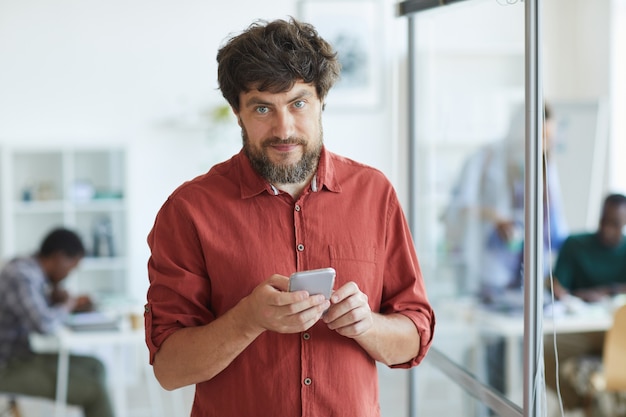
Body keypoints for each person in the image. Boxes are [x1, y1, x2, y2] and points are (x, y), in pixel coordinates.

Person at [145, 17, 435, 416]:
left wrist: (367, 324)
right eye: (262, 108)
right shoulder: (188, 211)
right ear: (237, 113)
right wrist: (247, 319)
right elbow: (169, 369)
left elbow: (414, 338)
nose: (284, 128)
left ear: (321, 101)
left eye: (298, 103)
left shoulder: (375, 194)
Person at [0, 227, 114, 417]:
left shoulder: (28, 269)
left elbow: (32, 310)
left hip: (20, 356)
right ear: (60, 257)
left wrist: (55, 300)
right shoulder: (21, 275)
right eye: (72, 267)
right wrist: (68, 305)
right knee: (94, 391)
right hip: (7, 366)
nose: (69, 274)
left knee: (96, 365)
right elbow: (44, 325)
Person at [544, 192, 626, 410]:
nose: (607, 229)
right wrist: (554, 287)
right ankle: (581, 406)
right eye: (604, 222)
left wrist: (608, 290)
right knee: (543, 350)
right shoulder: (575, 245)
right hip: (582, 329)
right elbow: (557, 284)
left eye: (615, 224)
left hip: (619, 332)